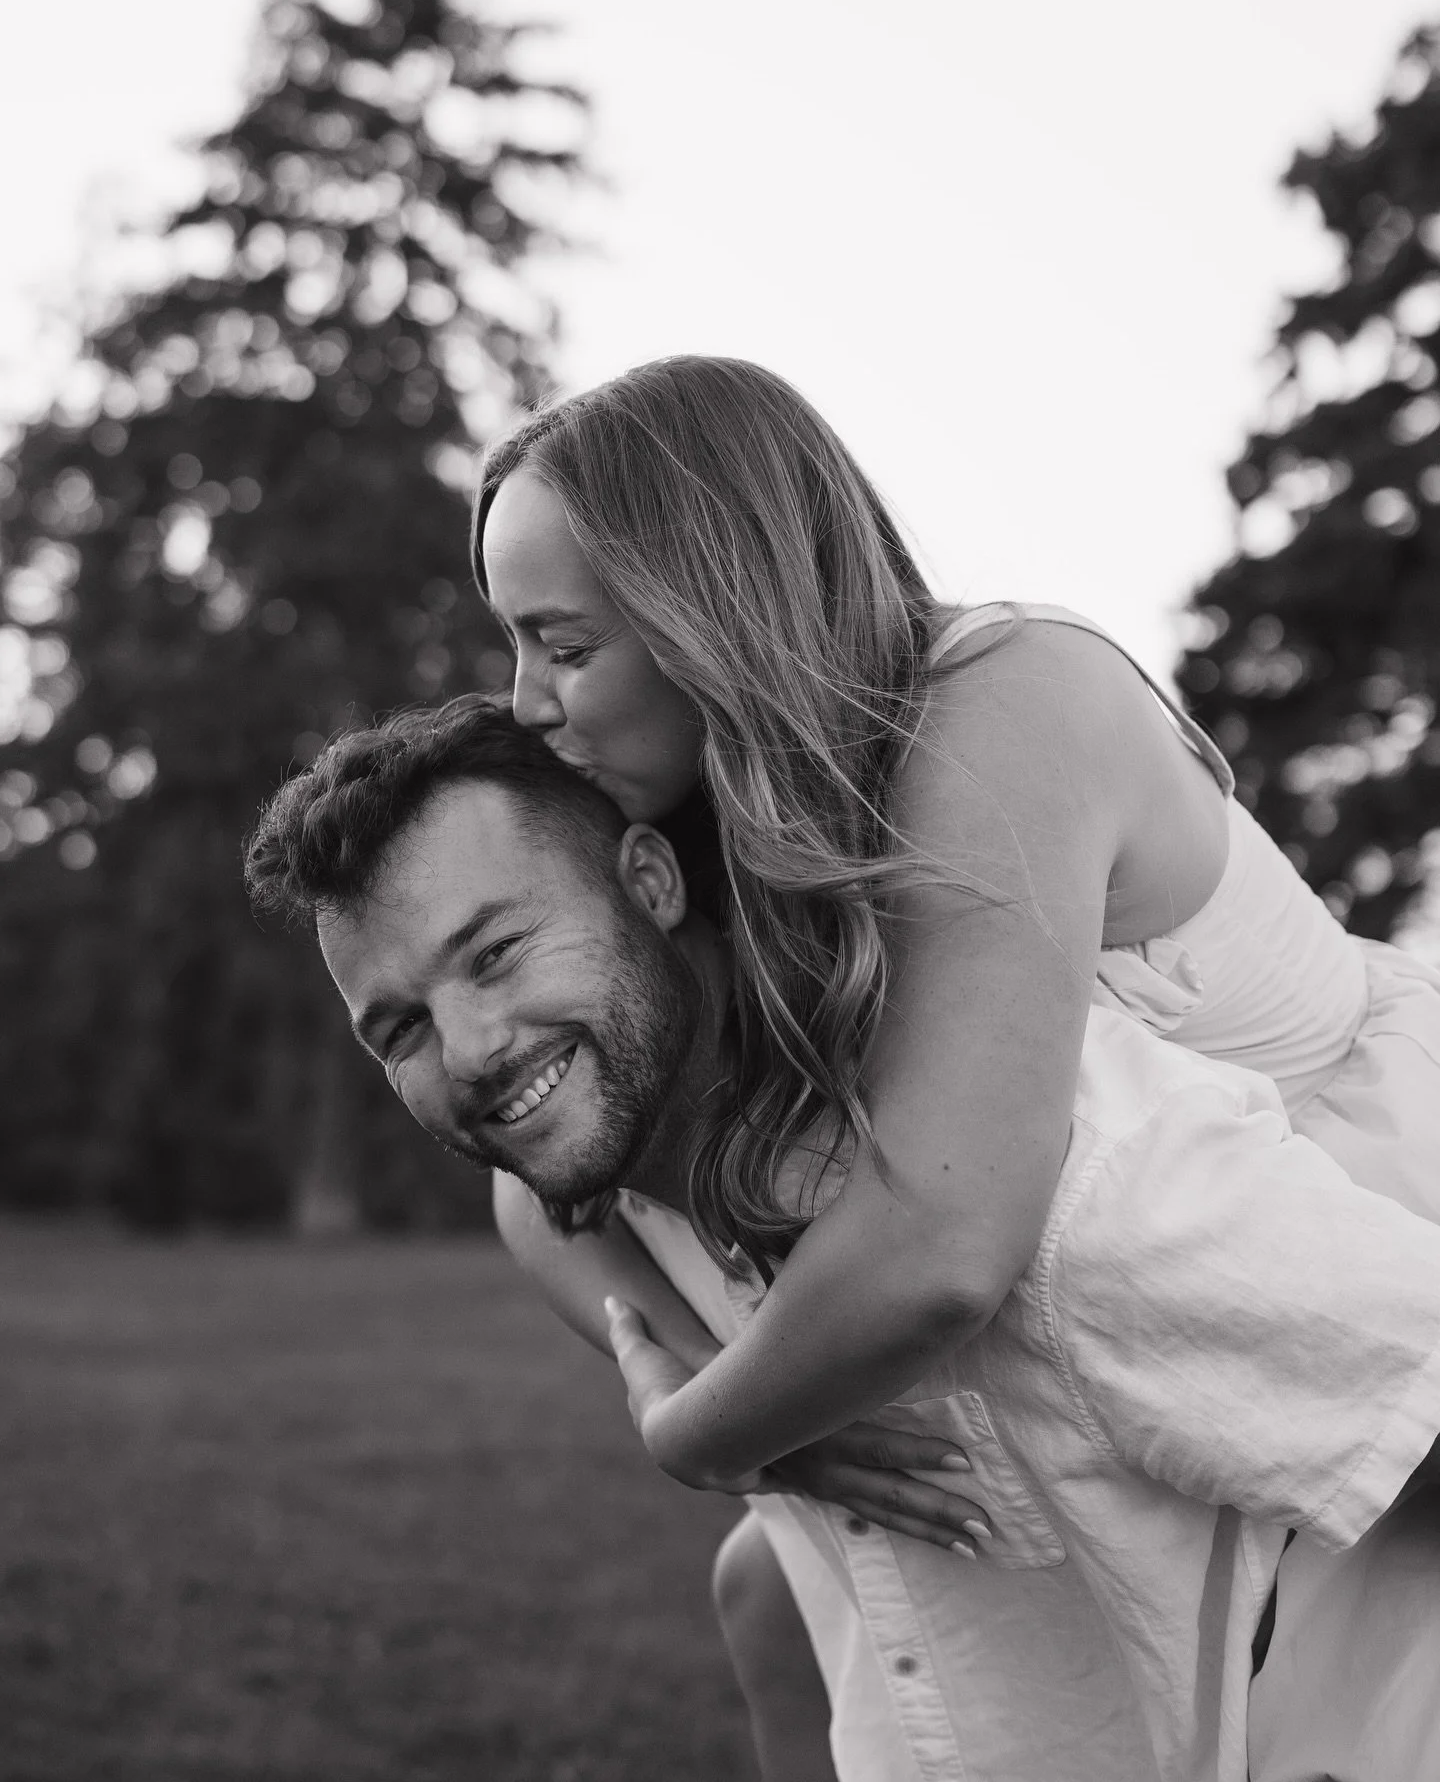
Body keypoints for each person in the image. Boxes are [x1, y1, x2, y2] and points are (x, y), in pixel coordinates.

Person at [244, 699, 1440, 1782]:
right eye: (397, 1029)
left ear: (653, 881)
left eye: (496, 954)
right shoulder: (624, 1207)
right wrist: (743, 1431)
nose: (468, 1052)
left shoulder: (1046, 1192)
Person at [470, 353, 1440, 1557]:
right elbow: (536, 1179)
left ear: (708, 606)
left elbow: (942, 1239)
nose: (523, 702)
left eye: (561, 645)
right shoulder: (702, 831)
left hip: (1365, 1240)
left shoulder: (1009, 696)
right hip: (1141, 1338)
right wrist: (752, 1389)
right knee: (773, 1592)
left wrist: (700, 1435)